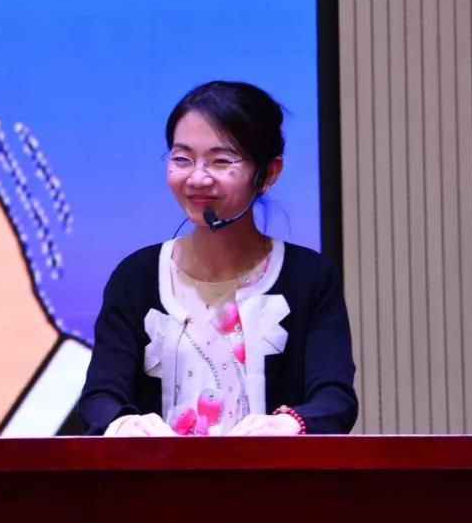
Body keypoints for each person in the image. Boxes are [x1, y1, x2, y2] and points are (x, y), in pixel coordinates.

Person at [79, 81, 357, 436]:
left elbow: (335, 399)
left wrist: (288, 424)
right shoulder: (136, 276)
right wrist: (122, 424)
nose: (197, 178)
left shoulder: (310, 277)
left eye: (221, 161)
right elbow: (100, 396)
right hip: (157, 473)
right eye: (182, 159)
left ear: (269, 172)